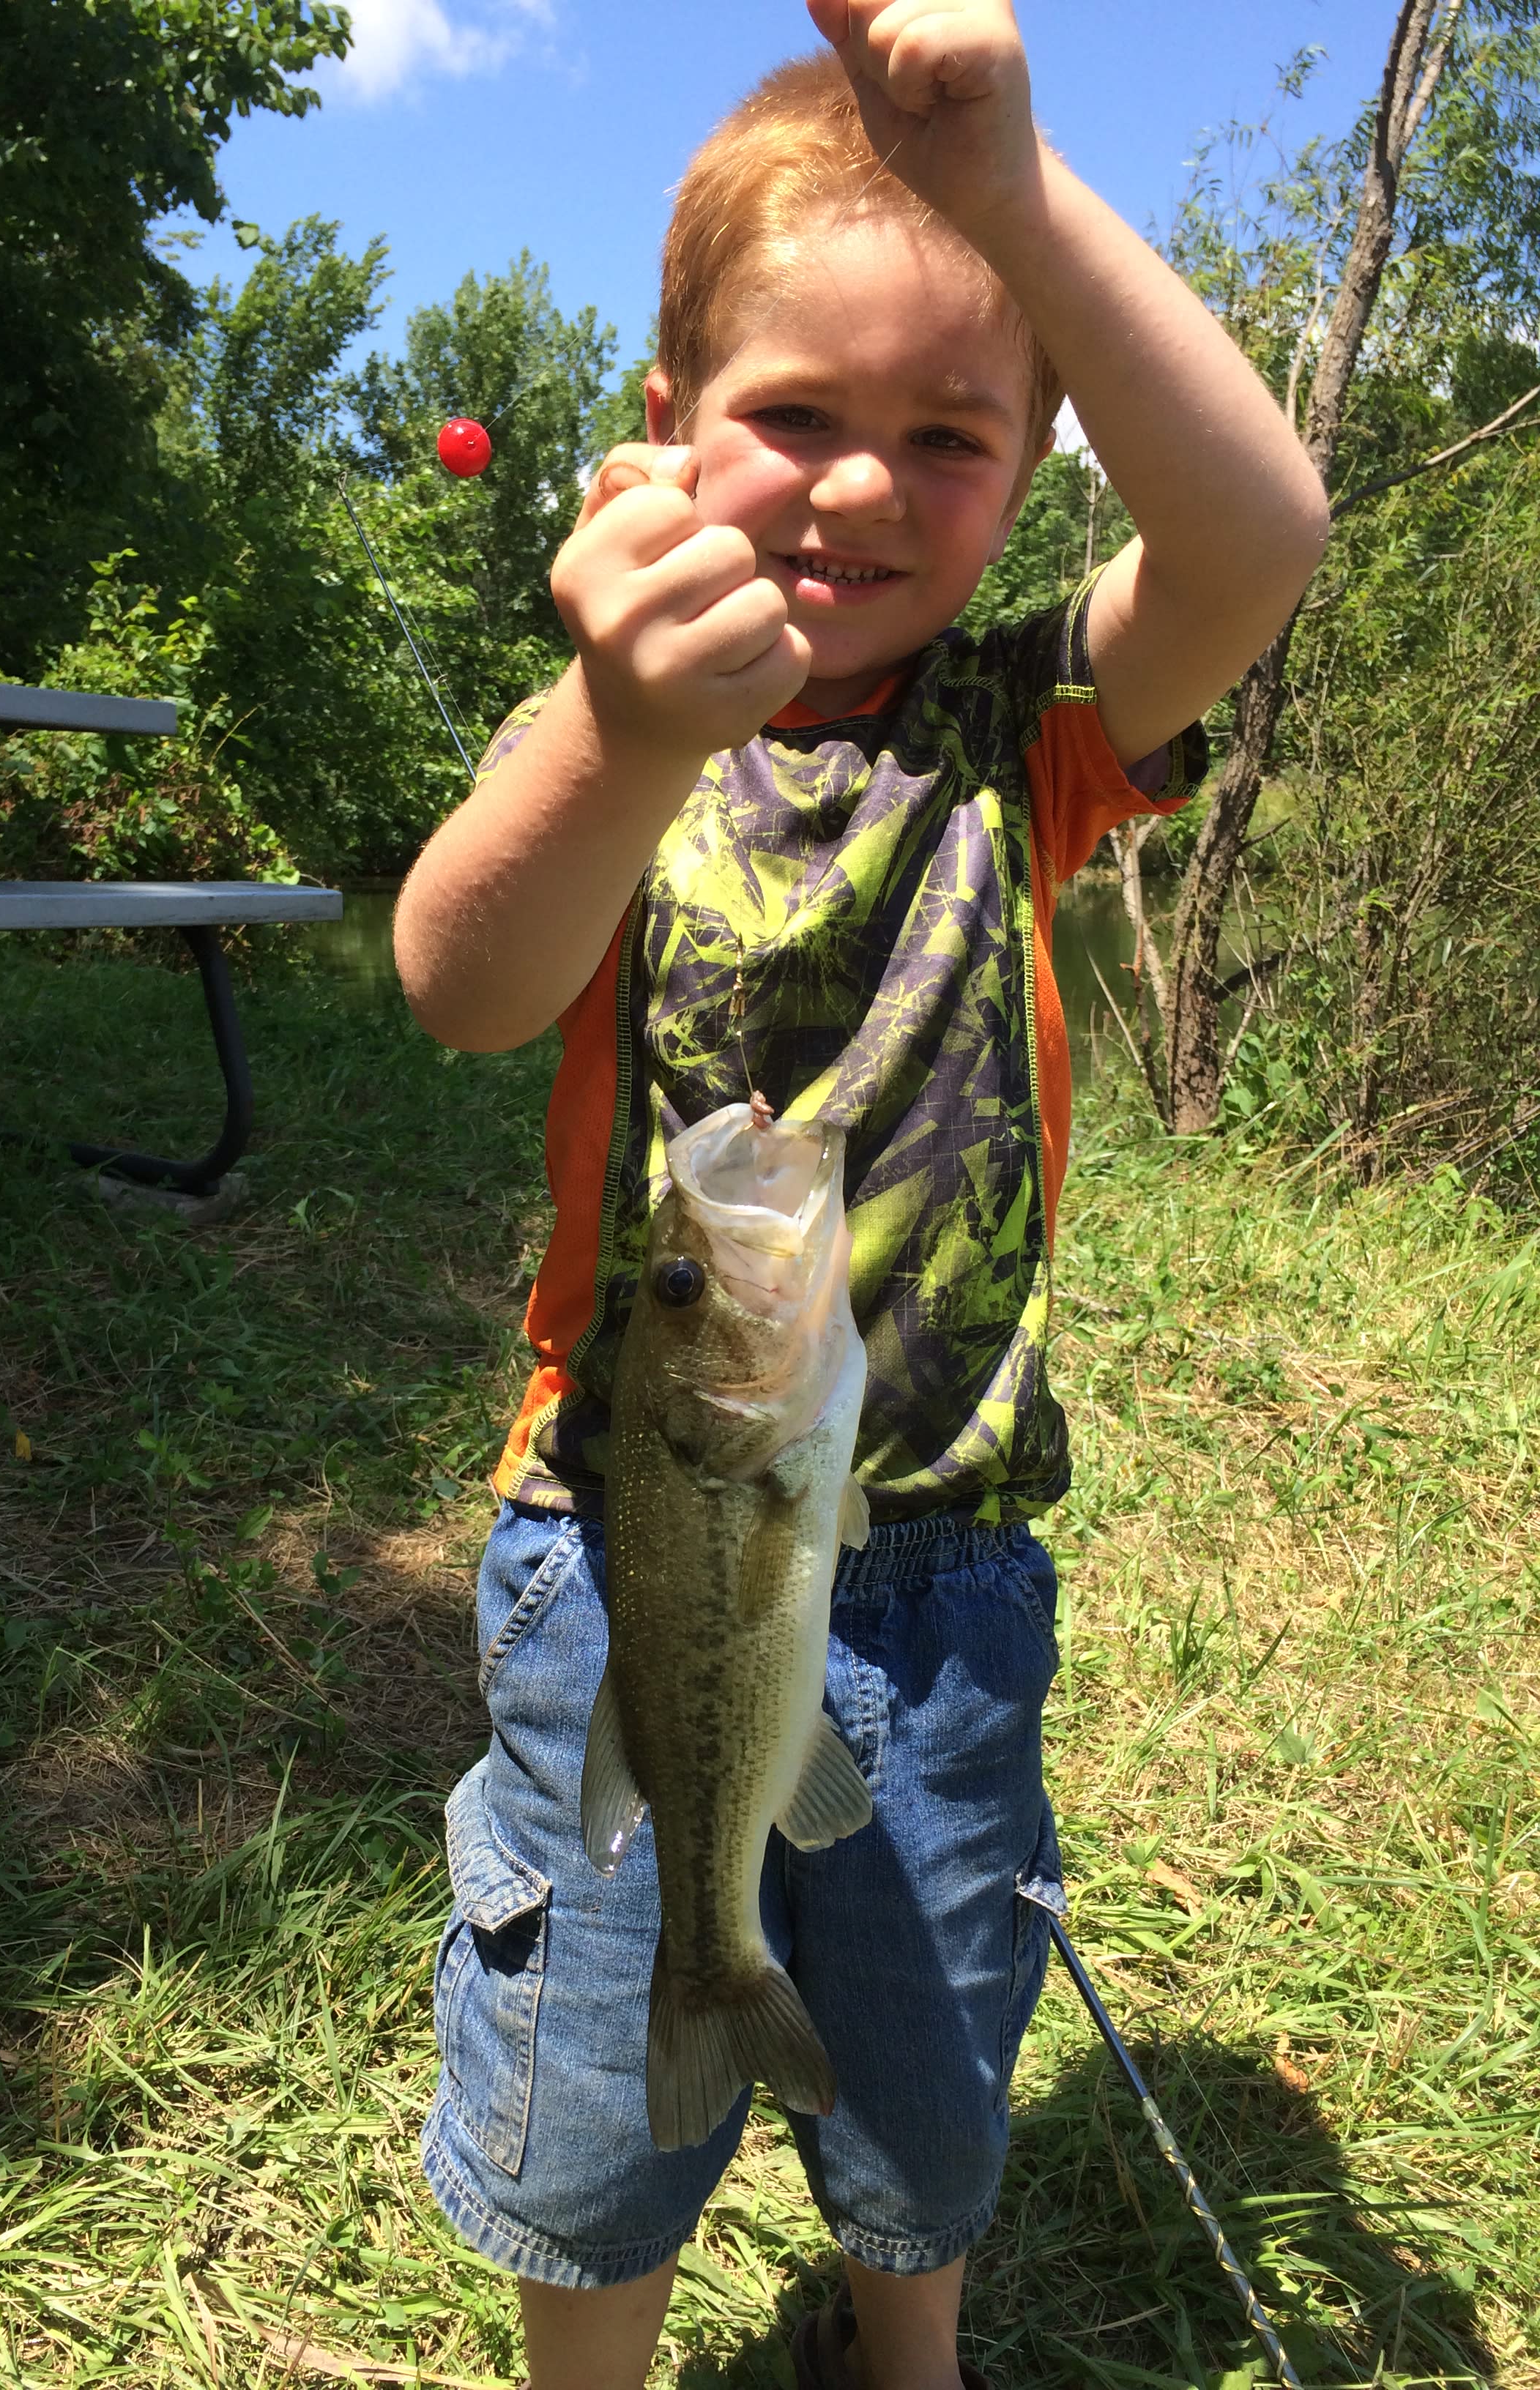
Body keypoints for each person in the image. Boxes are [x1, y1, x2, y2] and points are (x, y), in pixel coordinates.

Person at [394, 5, 1327, 2385]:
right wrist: (615, 725)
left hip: (940, 1570)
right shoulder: (613, 720)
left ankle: (907, 2357)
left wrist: (1014, 195)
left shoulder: (1027, 737)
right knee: (596, 2060)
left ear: (1032, 473)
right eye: (795, 416)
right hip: (629, 1542)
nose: (861, 489)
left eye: (952, 435)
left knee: (926, 2060)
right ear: (670, 427)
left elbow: (1264, 535)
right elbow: (464, 980)